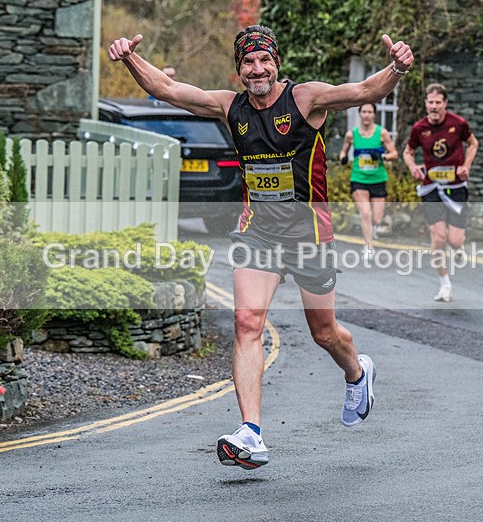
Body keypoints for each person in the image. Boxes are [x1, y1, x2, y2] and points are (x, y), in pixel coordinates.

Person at [109, 25, 414, 470]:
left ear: (276, 64)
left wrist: (397, 68)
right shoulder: (230, 106)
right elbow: (170, 89)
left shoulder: (305, 99)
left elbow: (364, 88)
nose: (257, 69)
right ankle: (251, 432)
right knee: (247, 321)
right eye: (248, 62)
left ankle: (357, 372)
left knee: (324, 333)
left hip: (309, 233)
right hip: (258, 233)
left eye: (264, 60)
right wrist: (129, 58)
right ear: (239, 70)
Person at [402, 83, 479, 302]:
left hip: (455, 187)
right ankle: (445, 284)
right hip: (431, 188)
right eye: (430, 102)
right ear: (426, 104)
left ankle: (458, 246)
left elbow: (473, 144)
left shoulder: (458, 124)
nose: (434, 106)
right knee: (438, 237)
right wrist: (412, 166)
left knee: (454, 241)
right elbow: (408, 152)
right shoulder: (419, 128)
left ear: (445, 103)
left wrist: (467, 166)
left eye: (438, 102)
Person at [339, 103, 398, 260]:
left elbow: (394, 154)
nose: (366, 115)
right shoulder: (352, 135)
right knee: (366, 213)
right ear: (360, 114)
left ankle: (373, 230)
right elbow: (343, 151)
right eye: (364, 111)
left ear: (374, 115)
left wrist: (381, 156)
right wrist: (343, 158)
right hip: (359, 178)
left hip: (378, 178)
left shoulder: (382, 133)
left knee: (376, 219)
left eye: (369, 112)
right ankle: (369, 246)